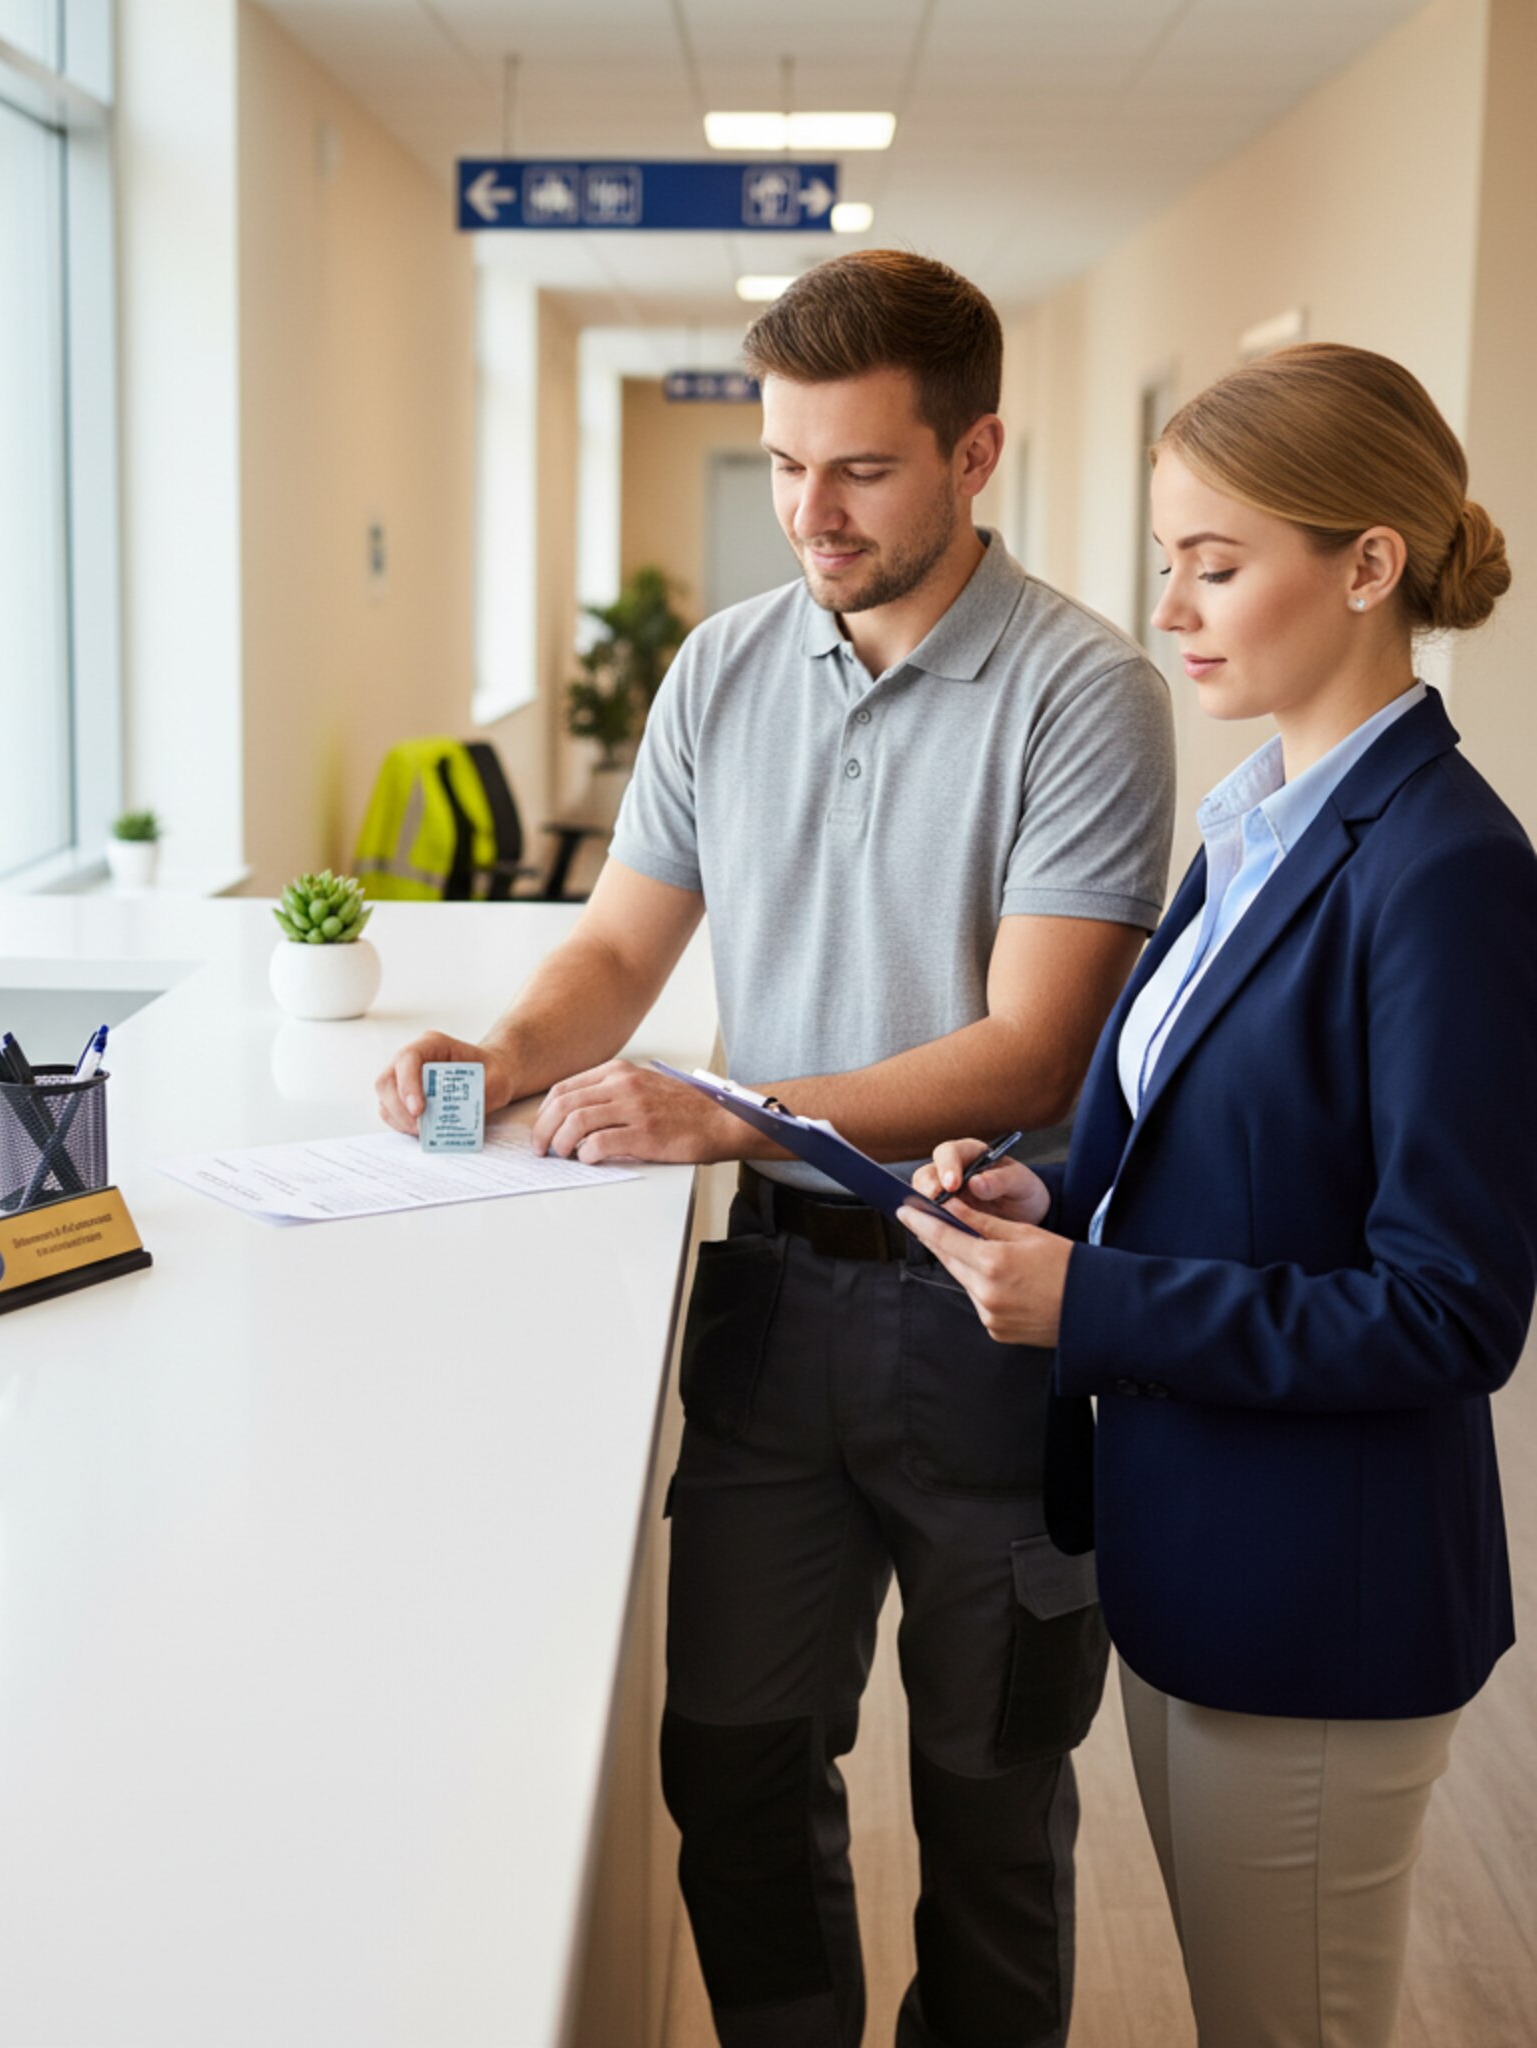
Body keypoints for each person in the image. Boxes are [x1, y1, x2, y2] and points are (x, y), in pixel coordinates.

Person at [376, 250, 1177, 2048]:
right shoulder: (723, 668)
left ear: (975, 455)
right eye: (786, 464)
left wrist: (735, 1106)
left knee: (988, 1800)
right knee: (731, 1768)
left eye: (862, 470)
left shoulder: (1086, 691)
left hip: (986, 1311)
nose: (810, 512)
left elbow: (1032, 1047)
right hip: (774, 1306)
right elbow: (618, 950)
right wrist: (497, 1055)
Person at [899, 341, 1531, 2048]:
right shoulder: (1256, 824)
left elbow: (1451, 1311)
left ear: (1370, 564)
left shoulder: (1449, 870)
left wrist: (1087, 1302)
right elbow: (1220, 1151)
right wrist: (1048, 1201)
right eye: (1166, 558)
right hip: (1198, 1558)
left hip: (1324, 1596)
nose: (1170, 607)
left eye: (1217, 564)